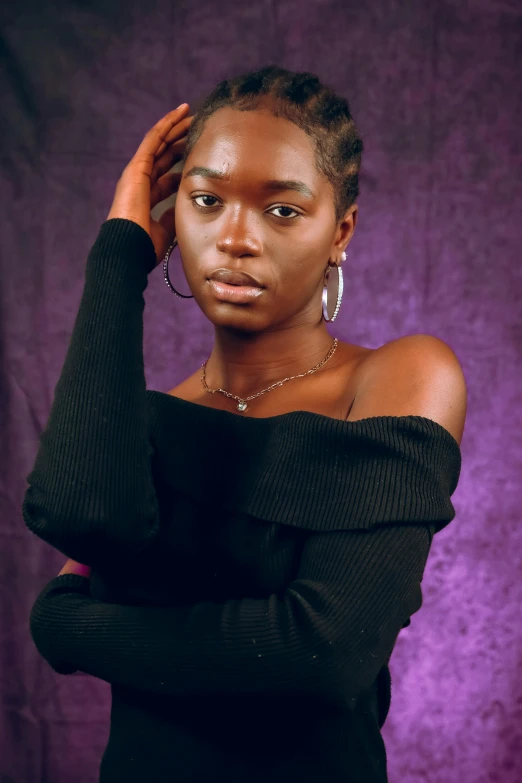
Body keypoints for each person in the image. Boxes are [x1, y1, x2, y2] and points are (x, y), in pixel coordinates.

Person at [23, 65, 466, 782]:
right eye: (206, 200)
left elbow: (322, 655)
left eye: (281, 210)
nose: (234, 238)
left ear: (339, 231)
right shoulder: (142, 417)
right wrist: (119, 255)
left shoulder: (399, 377)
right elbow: (79, 515)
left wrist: (66, 625)